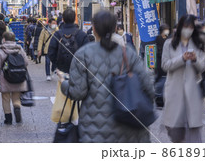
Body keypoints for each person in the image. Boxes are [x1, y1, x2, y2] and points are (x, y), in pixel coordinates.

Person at [60, 11, 154, 142]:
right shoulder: (129, 54)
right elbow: (148, 87)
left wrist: (64, 84)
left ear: (94, 29)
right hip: (130, 127)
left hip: (95, 129)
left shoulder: (83, 54)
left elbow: (77, 92)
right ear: (115, 28)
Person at [162, 15, 205, 143]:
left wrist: (194, 60)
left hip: (193, 93)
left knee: (193, 133)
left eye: (191, 27)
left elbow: (203, 67)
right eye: (186, 27)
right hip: (175, 92)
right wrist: (181, 59)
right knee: (175, 132)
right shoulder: (169, 44)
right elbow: (165, 65)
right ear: (180, 27)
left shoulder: (198, 44)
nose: (188, 30)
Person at [47, 8, 88, 123]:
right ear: (75, 18)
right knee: (78, 95)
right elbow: (88, 53)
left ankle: (65, 119)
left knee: (63, 95)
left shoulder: (58, 34)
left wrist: (56, 65)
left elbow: (51, 52)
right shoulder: (81, 35)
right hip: (79, 71)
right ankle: (77, 118)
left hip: (62, 70)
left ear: (63, 19)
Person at [0, 32, 29, 125]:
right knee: (16, 96)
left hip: (6, 78)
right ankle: (17, 107)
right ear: (13, 39)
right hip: (19, 76)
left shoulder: (1, 51)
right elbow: (26, 62)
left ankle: (8, 119)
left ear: (4, 39)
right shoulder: (19, 49)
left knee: (5, 98)